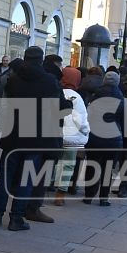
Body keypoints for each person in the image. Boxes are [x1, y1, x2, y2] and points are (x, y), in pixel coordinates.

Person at [0, 46, 63, 227]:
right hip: (36, 137)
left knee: (5, 175)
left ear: (24, 59)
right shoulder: (49, 81)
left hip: (12, 135)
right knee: (26, 177)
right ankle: (16, 217)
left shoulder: (13, 79)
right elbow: (59, 108)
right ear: (41, 60)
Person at [83, 66, 126, 206]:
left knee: (92, 165)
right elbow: (124, 119)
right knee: (108, 167)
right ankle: (104, 197)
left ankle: (89, 195)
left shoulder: (95, 95)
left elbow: (88, 115)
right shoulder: (121, 98)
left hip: (95, 137)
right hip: (113, 138)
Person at [54, 66, 89, 204]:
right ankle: (60, 194)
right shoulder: (77, 97)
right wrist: (86, 131)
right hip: (72, 137)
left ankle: (50, 185)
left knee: (55, 162)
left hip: (56, 134)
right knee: (68, 164)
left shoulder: (56, 92)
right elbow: (80, 119)